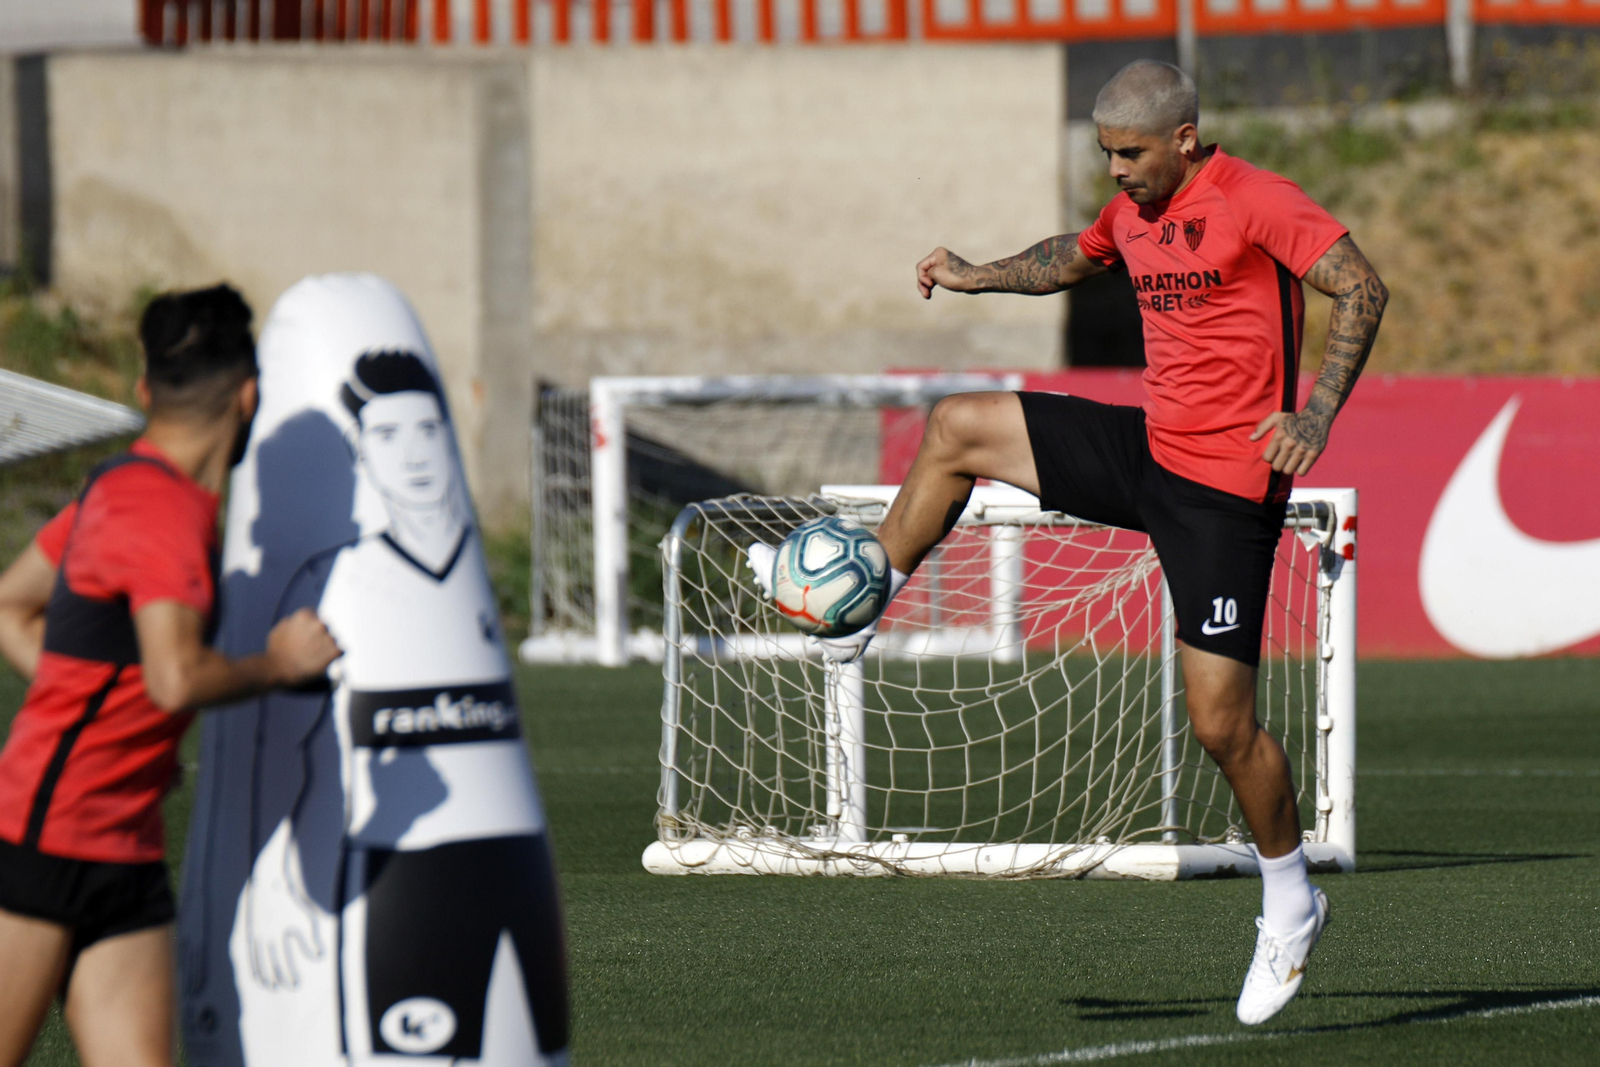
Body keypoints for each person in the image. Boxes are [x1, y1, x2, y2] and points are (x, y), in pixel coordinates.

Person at [752, 59, 1387, 1026]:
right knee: (960, 424)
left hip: (1226, 491)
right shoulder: (1131, 210)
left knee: (1220, 726)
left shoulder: (1256, 200)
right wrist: (976, 275)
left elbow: (1361, 287)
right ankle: (864, 588)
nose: (1117, 170)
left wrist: (1318, 413)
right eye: (1105, 154)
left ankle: (1291, 901)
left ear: (1182, 139)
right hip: (1147, 450)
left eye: (1129, 153)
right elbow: (1074, 256)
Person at [0, 284, 340, 1067]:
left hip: (123, 841)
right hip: (45, 836)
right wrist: (282, 663)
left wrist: (90, 703)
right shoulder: (165, 512)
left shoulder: (115, 485)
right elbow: (175, 679)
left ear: (145, 389)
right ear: (249, 395)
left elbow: (14, 608)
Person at [242, 348, 567, 1062]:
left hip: (513, 859)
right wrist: (269, 877)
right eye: (387, 434)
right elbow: (280, 734)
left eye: (427, 429)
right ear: (362, 450)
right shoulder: (337, 577)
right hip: (405, 871)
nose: (414, 453)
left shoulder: (471, 583)